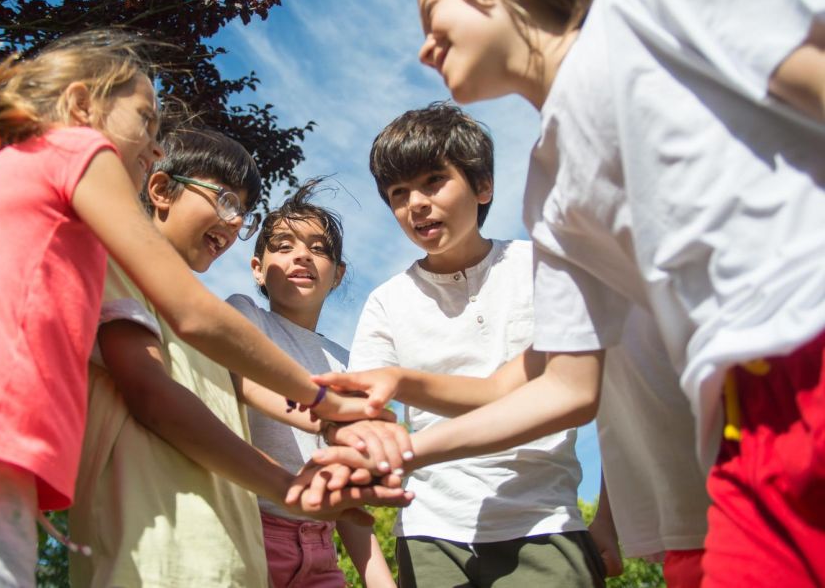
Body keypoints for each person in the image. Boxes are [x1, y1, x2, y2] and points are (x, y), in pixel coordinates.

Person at [314, 0, 825, 585]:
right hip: (741, 417)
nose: (423, 50)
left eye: (434, 15)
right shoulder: (551, 188)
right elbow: (562, 386)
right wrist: (404, 451)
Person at [0, 30, 403, 587]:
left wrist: (330, 427)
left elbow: (241, 379)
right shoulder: (74, 148)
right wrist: (325, 400)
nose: (154, 148)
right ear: (81, 105)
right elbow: (191, 319)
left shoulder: (64, 232)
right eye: (146, 120)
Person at [69, 135, 410, 588]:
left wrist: (332, 422)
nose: (233, 222)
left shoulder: (338, 358)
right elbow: (178, 390)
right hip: (182, 540)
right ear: (160, 189)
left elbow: (249, 392)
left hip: (248, 545)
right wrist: (318, 424)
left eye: (242, 213)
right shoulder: (213, 315)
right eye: (226, 200)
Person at [342, 103, 605, 587]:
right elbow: (362, 413)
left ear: (483, 186)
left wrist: (606, 514)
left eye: (432, 181)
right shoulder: (386, 302)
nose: (415, 203)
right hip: (430, 531)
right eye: (399, 194)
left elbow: (588, 394)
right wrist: (359, 442)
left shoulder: (540, 267)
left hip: (544, 518)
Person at [227, 180, 399, 588]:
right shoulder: (247, 316)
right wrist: (324, 417)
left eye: (318, 249)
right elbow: (243, 380)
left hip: (320, 547)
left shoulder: (348, 364)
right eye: (284, 246)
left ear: (337, 275)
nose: (302, 254)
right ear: (257, 268)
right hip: (250, 533)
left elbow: (348, 497)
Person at [589, 307, 709, 588]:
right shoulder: (570, 284)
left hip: (768, 488)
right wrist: (606, 518)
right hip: (686, 524)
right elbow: (623, 417)